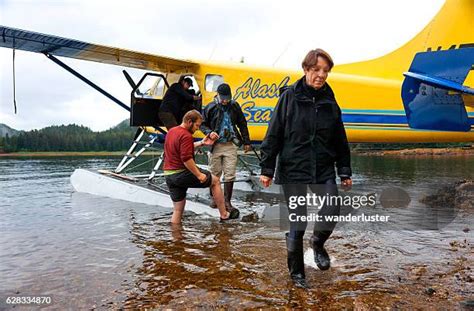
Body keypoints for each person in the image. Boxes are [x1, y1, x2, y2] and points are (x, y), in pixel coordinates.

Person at [259, 49, 352, 288]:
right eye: (316, 70)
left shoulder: (330, 101)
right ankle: (297, 274)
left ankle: (318, 243)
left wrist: (344, 170)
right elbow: (274, 133)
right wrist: (267, 168)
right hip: (294, 168)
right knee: (298, 221)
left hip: (322, 166)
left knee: (332, 205)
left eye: (325, 71)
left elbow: (339, 138)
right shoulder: (289, 97)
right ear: (306, 69)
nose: (321, 75)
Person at [164, 109, 236, 224]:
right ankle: (224, 215)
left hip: (169, 175)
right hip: (181, 173)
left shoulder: (172, 131)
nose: (197, 128)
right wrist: (199, 175)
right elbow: (186, 159)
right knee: (215, 181)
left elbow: (183, 147)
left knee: (178, 210)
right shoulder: (186, 135)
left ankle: (176, 238)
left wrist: (202, 143)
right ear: (189, 121)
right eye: (197, 125)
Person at [200, 83, 251, 218]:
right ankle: (215, 199)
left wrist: (246, 141)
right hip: (215, 145)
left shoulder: (234, 106)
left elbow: (242, 123)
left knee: (230, 173)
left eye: (227, 98)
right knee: (214, 172)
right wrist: (210, 132)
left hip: (230, 144)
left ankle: (227, 202)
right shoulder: (210, 107)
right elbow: (202, 124)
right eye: (223, 98)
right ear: (218, 95)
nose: (225, 101)